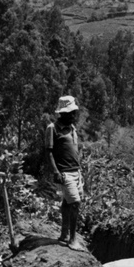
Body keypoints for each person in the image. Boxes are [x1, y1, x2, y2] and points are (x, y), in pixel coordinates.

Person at [45, 95, 82, 246]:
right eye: (71, 113)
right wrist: (55, 171)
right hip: (65, 172)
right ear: (63, 113)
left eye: (74, 112)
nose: (74, 115)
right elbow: (48, 152)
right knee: (75, 203)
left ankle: (64, 234)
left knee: (68, 202)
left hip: (76, 171)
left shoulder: (72, 128)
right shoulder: (52, 129)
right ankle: (72, 240)